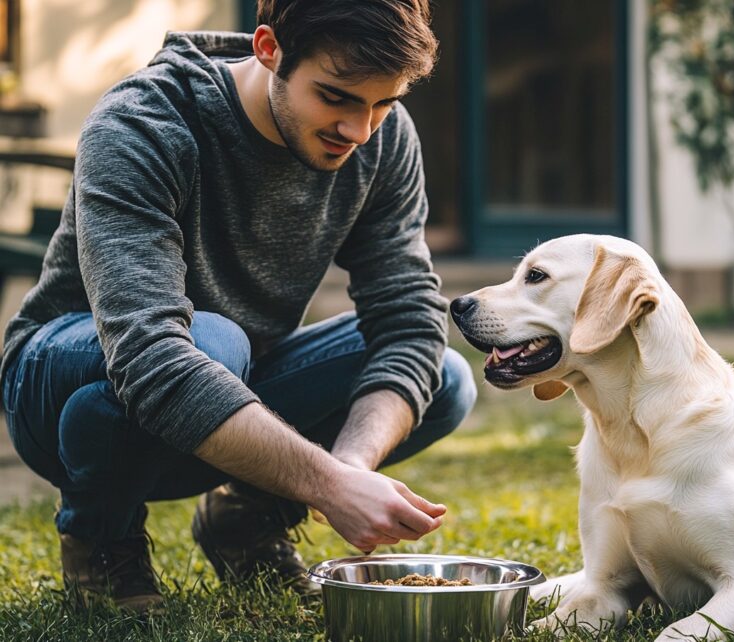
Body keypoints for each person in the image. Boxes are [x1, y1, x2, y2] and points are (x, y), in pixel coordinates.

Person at [1, 0, 477, 613]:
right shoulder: (144, 123)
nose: (359, 131)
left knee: (441, 378)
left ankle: (247, 515)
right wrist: (329, 486)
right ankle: (101, 536)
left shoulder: (381, 143)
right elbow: (151, 357)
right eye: (335, 97)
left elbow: (408, 318)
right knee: (213, 342)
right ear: (268, 48)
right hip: (66, 390)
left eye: (383, 104)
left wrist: (350, 466)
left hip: (231, 379)